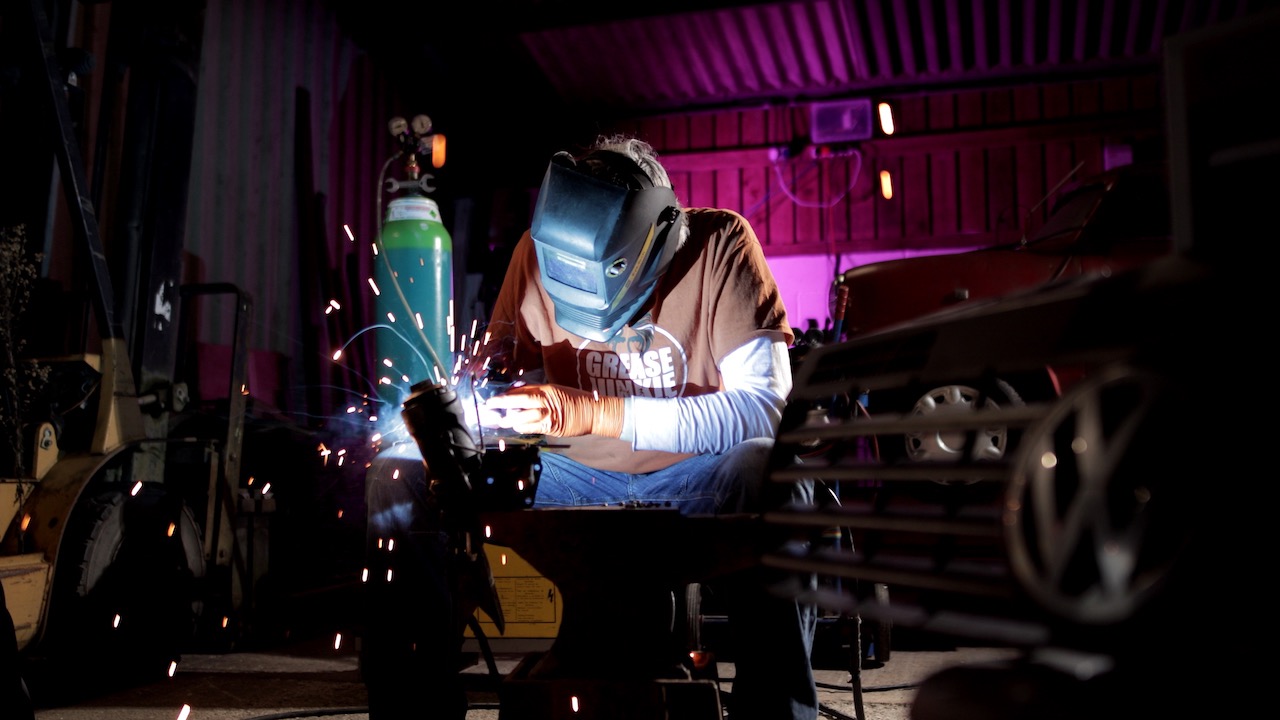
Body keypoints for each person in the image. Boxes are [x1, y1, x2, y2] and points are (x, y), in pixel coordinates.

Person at [474, 134, 819, 720]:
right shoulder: (535, 251)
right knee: (404, 475)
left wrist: (596, 412)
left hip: (692, 484)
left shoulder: (721, 244)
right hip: (570, 482)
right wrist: (480, 408)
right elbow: (497, 380)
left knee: (773, 469)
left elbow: (766, 409)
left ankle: (777, 712)